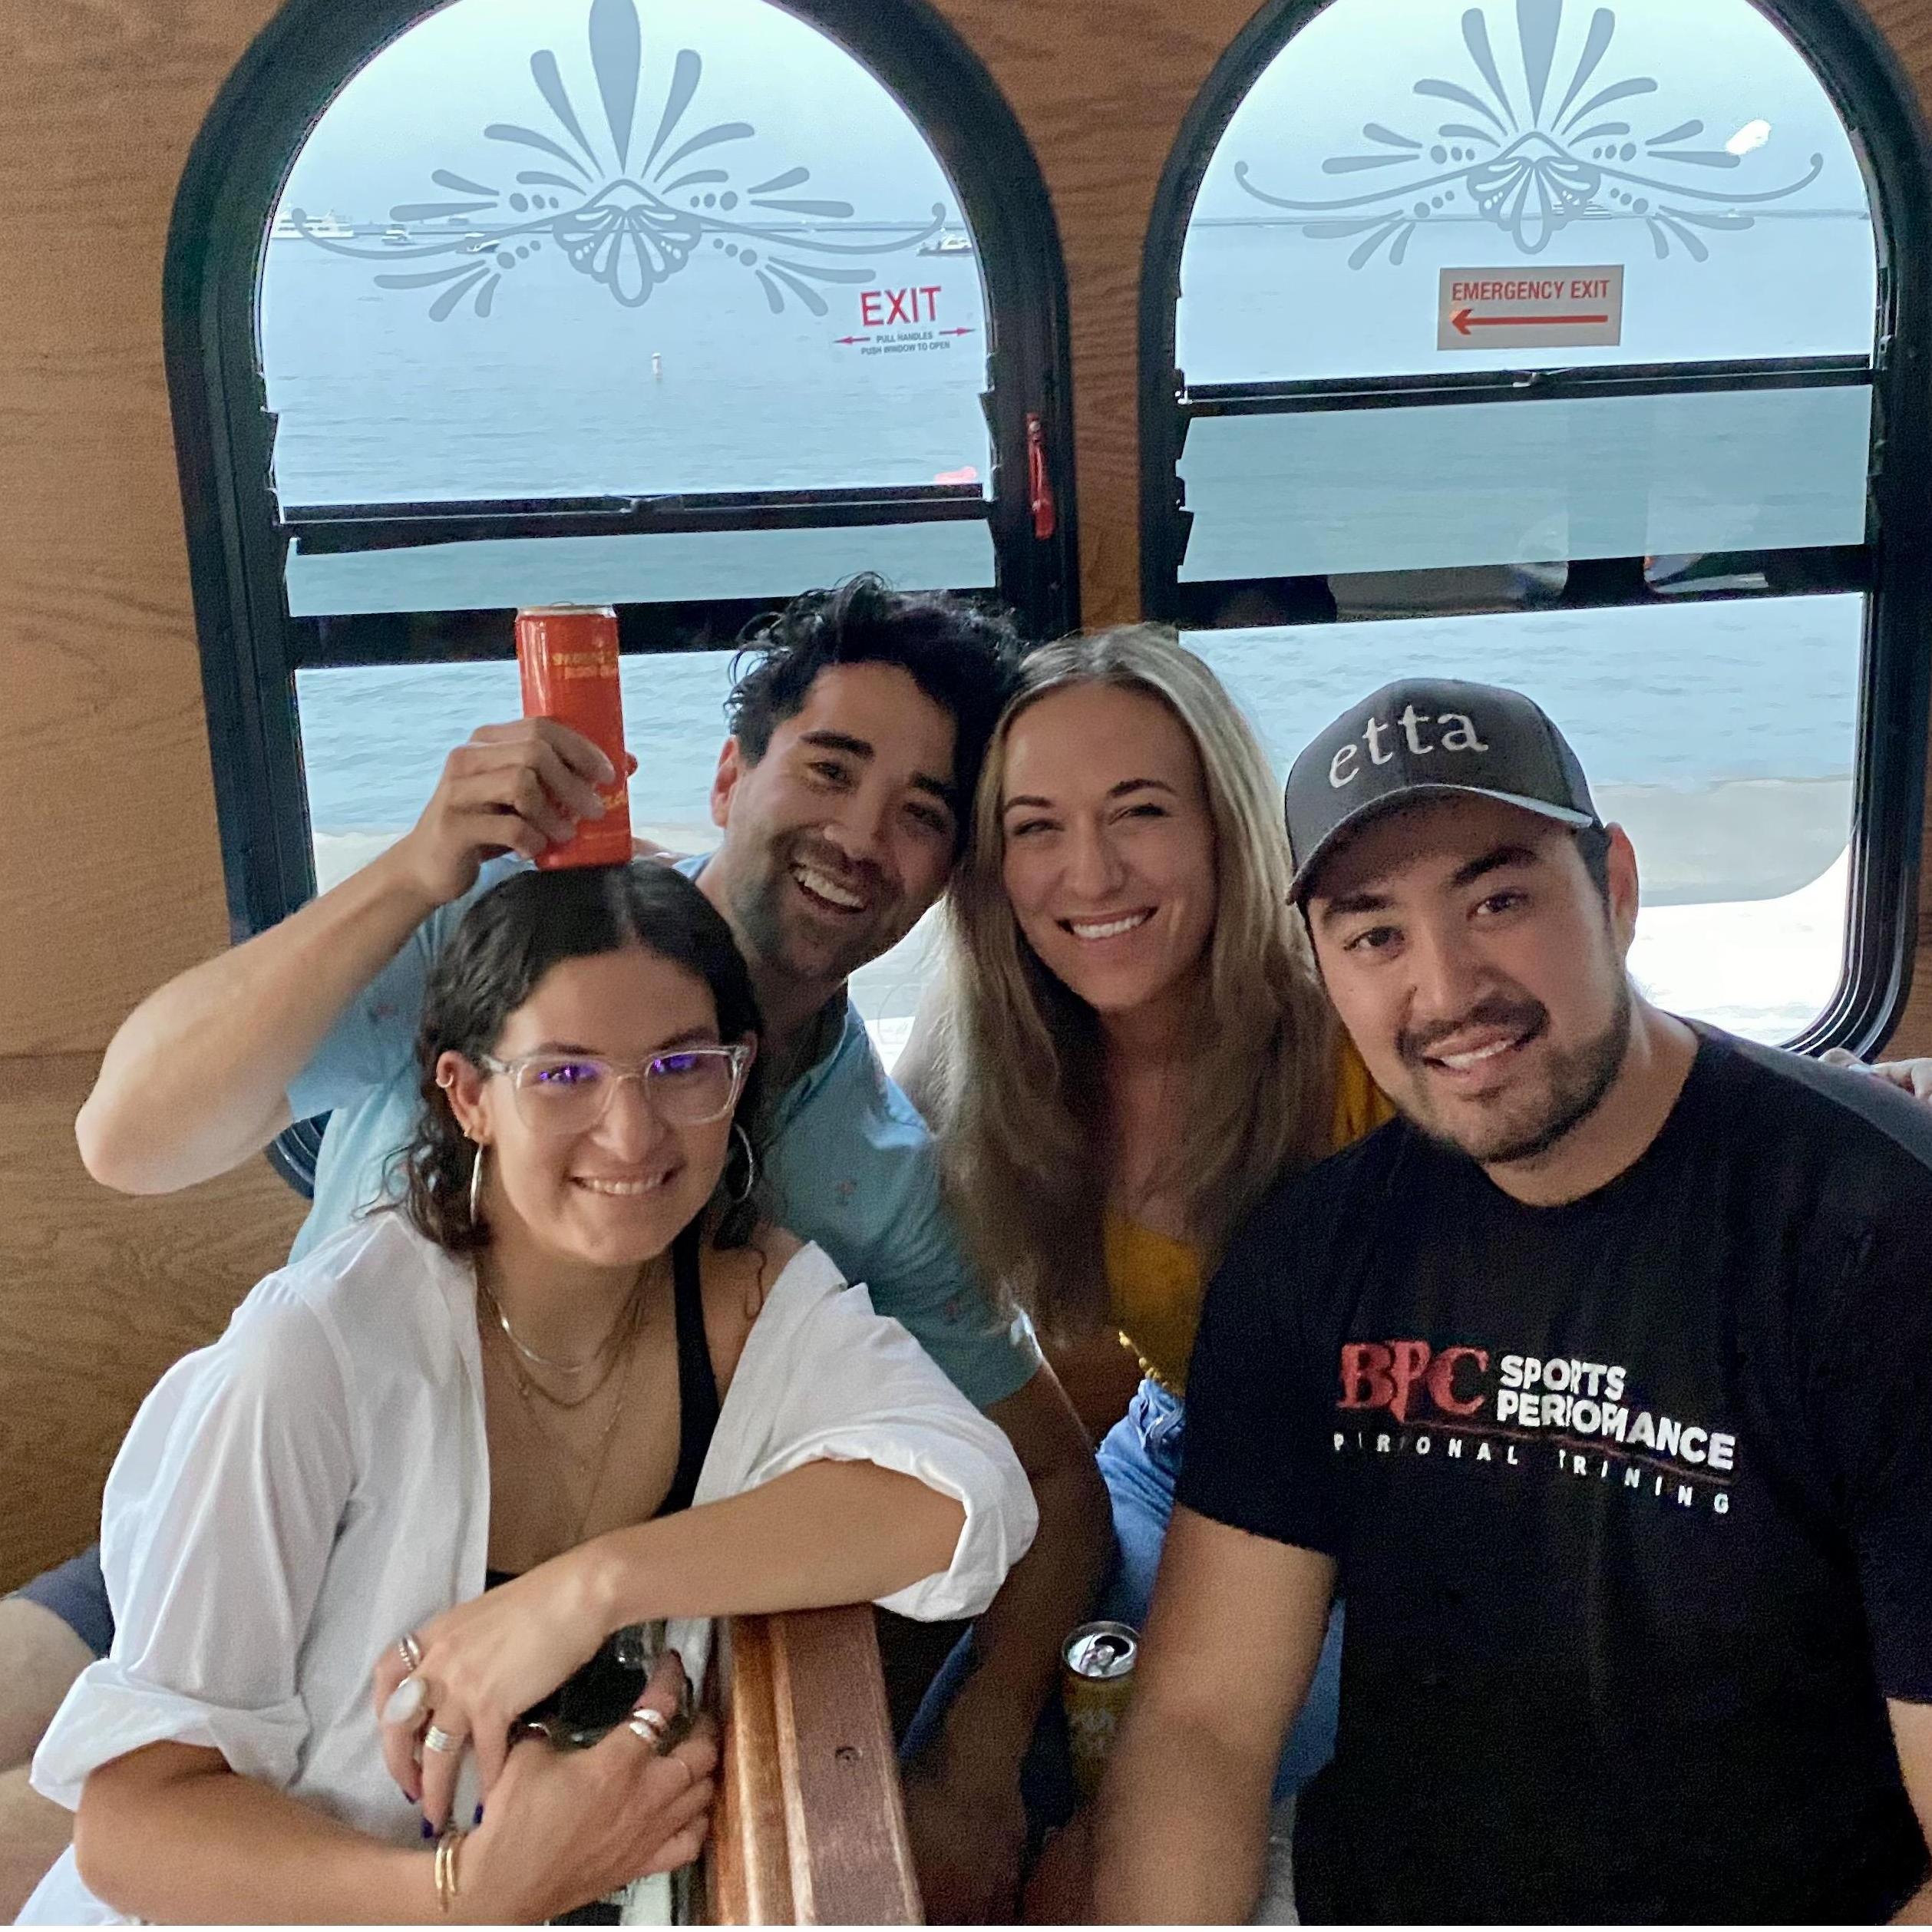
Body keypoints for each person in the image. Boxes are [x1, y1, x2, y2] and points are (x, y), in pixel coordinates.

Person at [18, 577, 1107, 1923]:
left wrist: (966, 1769)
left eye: (922, 814)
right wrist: (421, 861)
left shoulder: (850, 1202)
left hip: (502, 1608)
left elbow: (1013, 1484)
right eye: (828, 767)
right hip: (260, 1491)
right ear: (465, 1087)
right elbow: (129, 1138)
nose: (630, 1128)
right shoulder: (489, 946)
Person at [1094, 678, 1932, 1923]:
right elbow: (1203, 1722)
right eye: (1373, 933)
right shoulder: (1312, 1257)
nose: (1444, 990)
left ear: (1617, 891)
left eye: (1498, 899)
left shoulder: (1871, 1240)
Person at [905, 627, 1387, 1852]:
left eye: (1139, 810)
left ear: (1225, 822)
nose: (1092, 873)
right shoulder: (995, 1080)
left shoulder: (1354, 1042)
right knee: (947, 1796)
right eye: (1035, 827)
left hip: (1388, 1506)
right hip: (1173, 1447)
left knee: (1128, 1843)